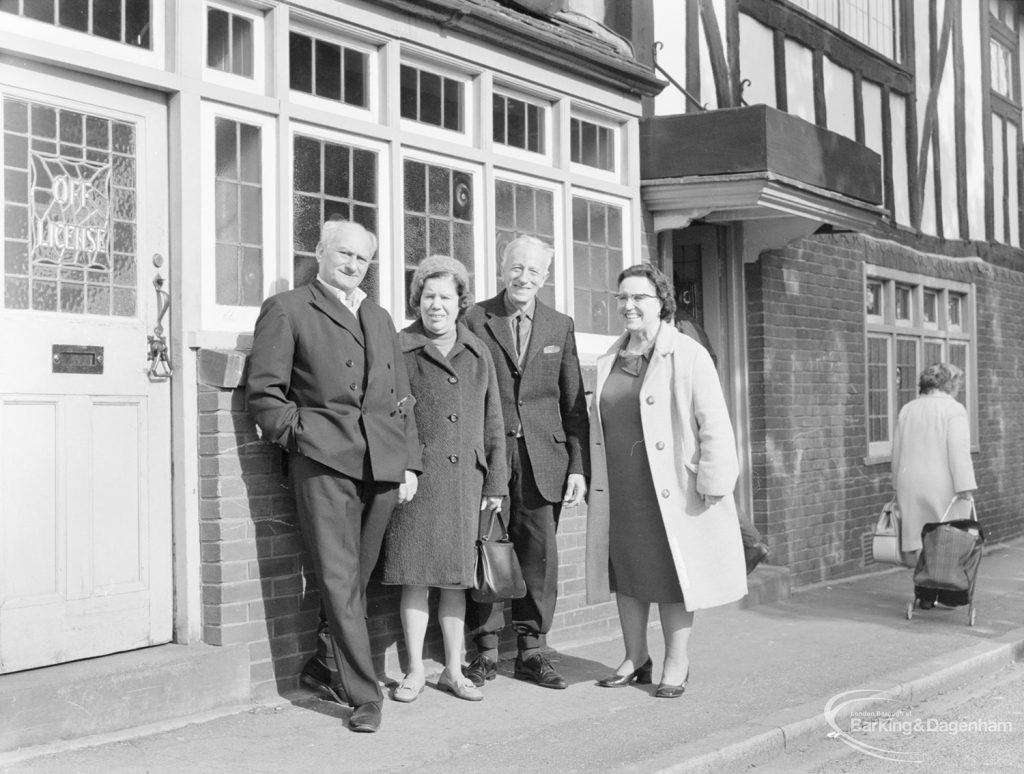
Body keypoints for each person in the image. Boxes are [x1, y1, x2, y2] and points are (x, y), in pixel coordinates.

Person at [246, 219, 421, 733]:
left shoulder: (379, 315)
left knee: (356, 579)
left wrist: (409, 461)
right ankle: (363, 695)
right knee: (340, 579)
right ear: (320, 252)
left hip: (382, 464)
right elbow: (265, 394)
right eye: (343, 254)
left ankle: (324, 664)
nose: (351, 265)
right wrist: (301, 436)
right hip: (323, 463)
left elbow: (402, 396)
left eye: (362, 259)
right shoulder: (288, 308)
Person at [586, 262, 747, 698]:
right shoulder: (609, 358)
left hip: (671, 487)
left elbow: (713, 420)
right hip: (621, 487)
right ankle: (634, 656)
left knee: (674, 574)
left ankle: (678, 661)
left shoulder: (687, 353)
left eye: (640, 297)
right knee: (628, 573)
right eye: (623, 297)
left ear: (662, 302)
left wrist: (715, 480)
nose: (629, 305)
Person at [462, 235, 590, 690]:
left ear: (546, 277)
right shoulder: (475, 318)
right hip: (490, 456)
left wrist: (578, 467)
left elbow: (574, 404)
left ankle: (533, 651)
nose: (524, 277)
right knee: (489, 549)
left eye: (534, 271)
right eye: (517, 268)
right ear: (502, 268)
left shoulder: (560, 325)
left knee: (539, 557)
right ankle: (486, 652)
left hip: (545, 460)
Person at [380, 256, 507, 703]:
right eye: (428, 296)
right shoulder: (400, 347)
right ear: (418, 300)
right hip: (418, 482)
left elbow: (494, 420)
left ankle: (453, 670)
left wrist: (496, 484)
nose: (436, 305)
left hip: (465, 483)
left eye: (446, 297)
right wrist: (401, 470)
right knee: (415, 575)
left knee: (456, 581)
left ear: (460, 303)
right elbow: (390, 416)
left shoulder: (478, 352)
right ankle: (414, 671)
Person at [673, 309, 769, 574]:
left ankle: (749, 544)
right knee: (712, 492)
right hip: (698, 415)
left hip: (691, 421)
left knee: (711, 492)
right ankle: (749, 544)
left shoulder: (679, 328)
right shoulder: (691, 323)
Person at [892, 362, 977, 607]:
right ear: (946, 383)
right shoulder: (954, 410)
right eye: (958, 381)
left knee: (920, 537)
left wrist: (896, 480)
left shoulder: (908, 408)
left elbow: (896, 449)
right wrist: (965, 486)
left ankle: (925, 594)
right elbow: (958, 452)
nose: (959, 386)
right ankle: (948, 592)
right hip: (943, 484)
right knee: (947, 537)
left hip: (911, 482)